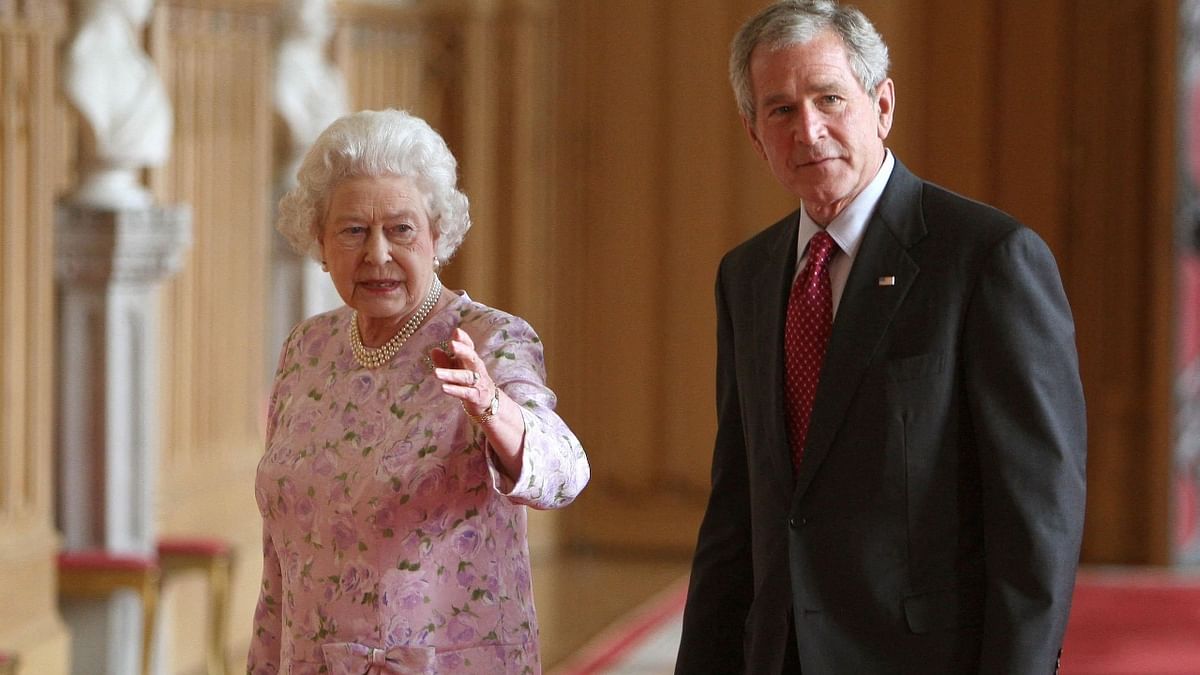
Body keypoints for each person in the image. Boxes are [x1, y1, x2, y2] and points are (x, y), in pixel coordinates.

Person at [675, 2, 1087, 673]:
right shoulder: (746, 276)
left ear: (882, 104)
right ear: (754, 135)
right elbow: (736, 508)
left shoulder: (986, 257)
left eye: (829, 98)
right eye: (780, 110)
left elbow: (1037, 519)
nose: (808, 130)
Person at [247, 109, 590, 674]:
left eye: (400, 229)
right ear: (320, 240)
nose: (377, 254)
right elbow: (278, 565)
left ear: (437, 234)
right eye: (353, 231)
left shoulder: (488, 338)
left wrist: (492, 407)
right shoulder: (308, 349)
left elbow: (565, 471)